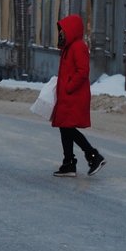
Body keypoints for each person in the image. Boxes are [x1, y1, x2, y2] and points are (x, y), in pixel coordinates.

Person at [51, 14, 106, 177]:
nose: (61, 34)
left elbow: (82, 72)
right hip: (68, 96)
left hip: (74, 95)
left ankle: (93, 155)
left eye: (63, 31)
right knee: (64, 127)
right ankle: (69, 163)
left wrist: (68, 87)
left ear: (71, 30)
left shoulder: (78, 47)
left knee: (68, 128)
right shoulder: (69, 48)